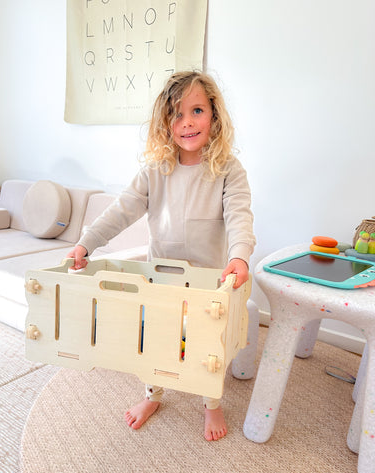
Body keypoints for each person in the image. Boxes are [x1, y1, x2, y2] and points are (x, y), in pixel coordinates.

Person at [67, 71, 256, 441]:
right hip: (162, 281)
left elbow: (240, 217)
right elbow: (120, 211)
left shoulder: (228, 170)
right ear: (164, 124)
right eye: (176, 114)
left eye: (197, 110)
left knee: (206, 348)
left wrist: (240, 256)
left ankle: (211, 404)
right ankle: (152, 395)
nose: (187, 123)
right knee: (153, 341)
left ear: (214, 116)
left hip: (210, 284)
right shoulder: (155, 171)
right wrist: (86, 243)